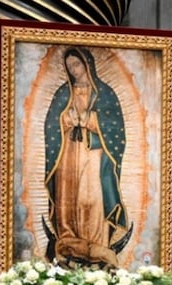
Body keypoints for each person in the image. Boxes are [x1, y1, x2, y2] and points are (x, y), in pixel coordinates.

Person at [43, 46, 132, 268]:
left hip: (94, 154)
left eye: (77, 64)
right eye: (69, 66)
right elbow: (51, 125)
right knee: (68, 198)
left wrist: (89, 121)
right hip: (68, 154)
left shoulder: (105, 94)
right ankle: (68, 241)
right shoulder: (63, 94)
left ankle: (97, 243)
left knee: (91, 198)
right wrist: (65, 120)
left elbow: (115, 128)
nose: (74, 70)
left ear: (87, 64)